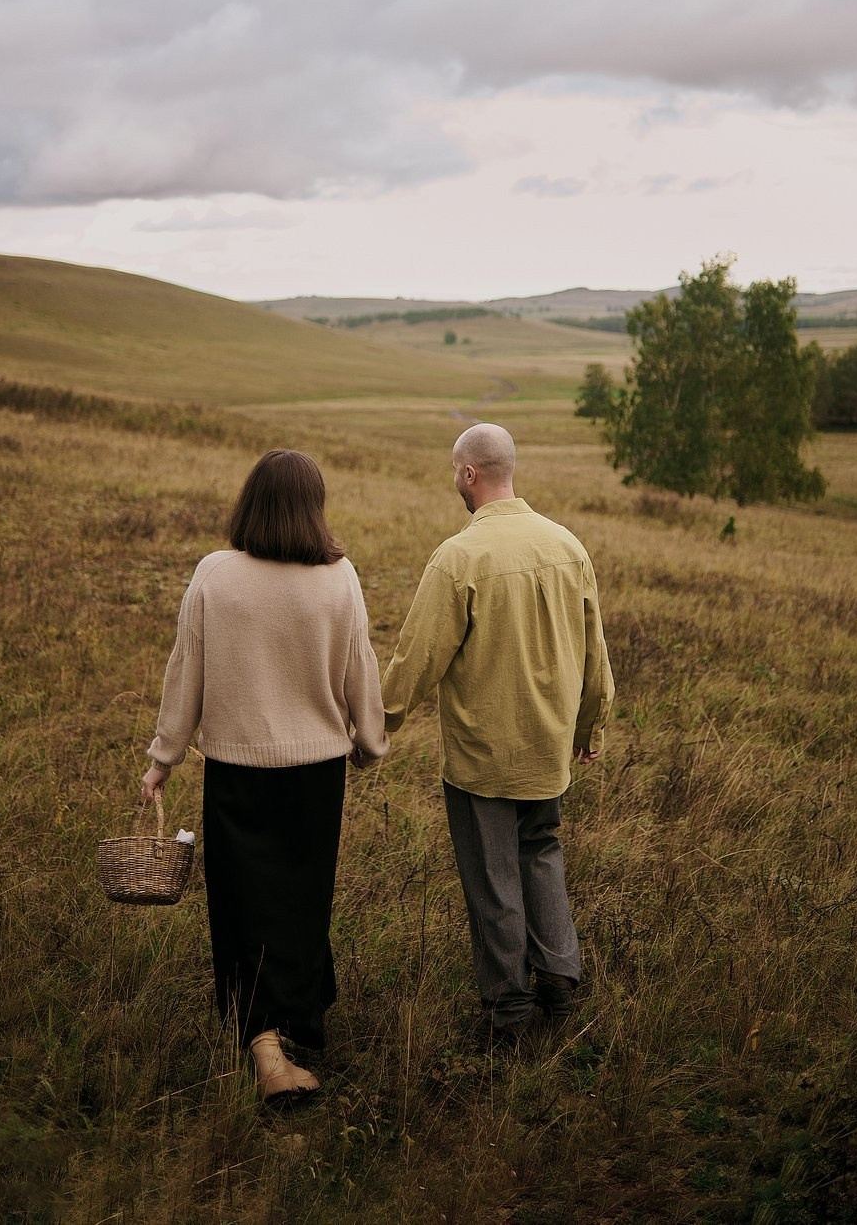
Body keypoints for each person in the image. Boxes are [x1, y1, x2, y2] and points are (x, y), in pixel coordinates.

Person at [141, 449, 388, 1104]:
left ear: (249, 502)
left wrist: (163, 756)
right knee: (301, 904)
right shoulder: (339, 577)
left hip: (237, 772)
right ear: (314, 507)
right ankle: (285, 1039)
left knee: (242, 906)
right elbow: (358, 668)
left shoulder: (215, 575)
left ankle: (266, 1044)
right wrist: (368, 744)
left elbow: (183, 669)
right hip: (316, 775)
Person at [381, 423, 613, 1043]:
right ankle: (559, 982)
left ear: (468, 474)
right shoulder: (569, 547)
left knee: (492, 874)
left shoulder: (460, 556)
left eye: (454, 472)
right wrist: (589, 724)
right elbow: (596, 653)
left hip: (484, 755)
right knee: (539, 853)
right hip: (547, 747)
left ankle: (509, 1009)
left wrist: (377, 726)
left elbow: (417, 657)